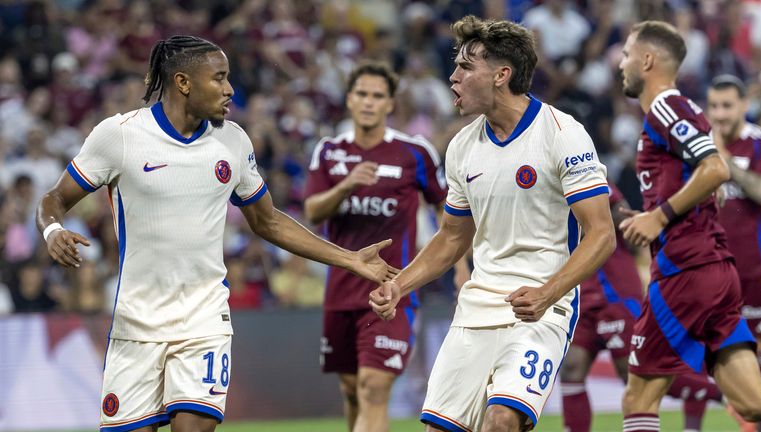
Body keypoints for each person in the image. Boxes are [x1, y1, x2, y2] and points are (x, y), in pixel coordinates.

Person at [36, 35, 396, 432]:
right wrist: (53, 229)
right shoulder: (119, 135)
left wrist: (349, 258)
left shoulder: (233, 140)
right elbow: (54, 198)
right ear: (183, 82)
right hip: (136, 326)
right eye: (219, 78)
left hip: (204, 320)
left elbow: (268, 220)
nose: (230, 89)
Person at [369, 15, 616, 432]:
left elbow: (602, 235)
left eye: (466, 66)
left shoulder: (562, 133)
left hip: (542, 308)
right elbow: (451, 238)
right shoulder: (462, 147)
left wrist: (547, 293)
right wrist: (400, 285)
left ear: (502, 75)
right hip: (477, 307)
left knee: (501, 420)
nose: (453, 76)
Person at [617, 21, 761, 432]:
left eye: (627, 53)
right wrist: (654, 213)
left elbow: (716, 168)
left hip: (684, 271)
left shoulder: (667, 106)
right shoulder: (671, 114)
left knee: (638, 398)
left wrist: (659, 216)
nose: (621, 62)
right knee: (755, 404)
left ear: (647, 60)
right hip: (714, 269)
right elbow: (705, 179)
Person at [303, 61, 447, 432]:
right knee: (351, 389)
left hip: (391, 291)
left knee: (373, 386)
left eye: (377, 96)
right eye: (362, 94)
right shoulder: (330, 151)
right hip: (340, 290)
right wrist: (347, 185)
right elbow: (312, 210)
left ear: (389, 104)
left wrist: (458, 265)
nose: (369, 102)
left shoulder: (414, 153)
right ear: (350, 100)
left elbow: (447, 210)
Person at [560, 182, 724, 432]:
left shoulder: (584, 173)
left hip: (614, 293)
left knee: (635, 374)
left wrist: (583, 219)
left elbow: (622, 216)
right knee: (571, 369)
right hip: (579, 294)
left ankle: (722, 394)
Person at [708, 74, 761, 432]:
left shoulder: (760, 145)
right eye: (714, 106)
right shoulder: (698, 149)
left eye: (727, 106)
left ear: (744, 106)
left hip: (760, 276)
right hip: (718, 280)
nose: (720, 114)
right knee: (733, 371)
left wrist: (725, 159)